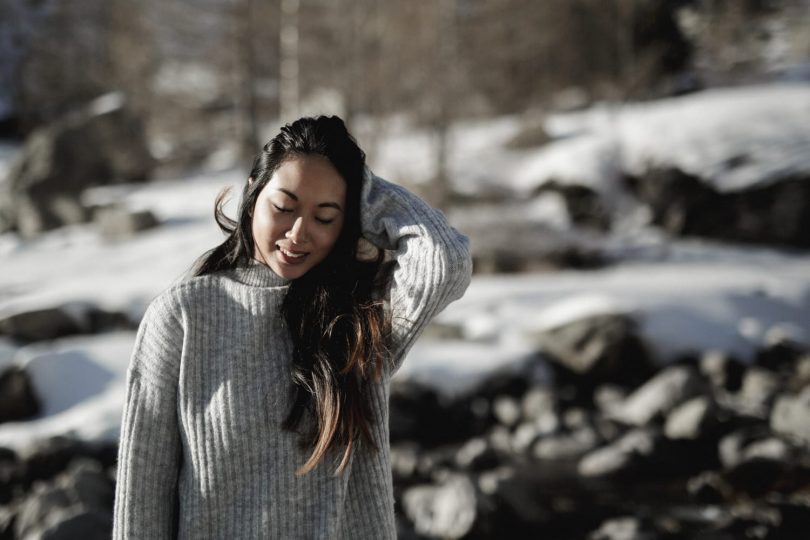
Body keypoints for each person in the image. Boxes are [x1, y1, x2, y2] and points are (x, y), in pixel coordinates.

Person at [112, 115, 472, 538]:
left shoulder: (359, 319)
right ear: (253, 191)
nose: (299, 232)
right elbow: (141, 501)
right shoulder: (182, 316)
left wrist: (364, 190)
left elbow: (445, 262)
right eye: (284, 207)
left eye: (326, 217)